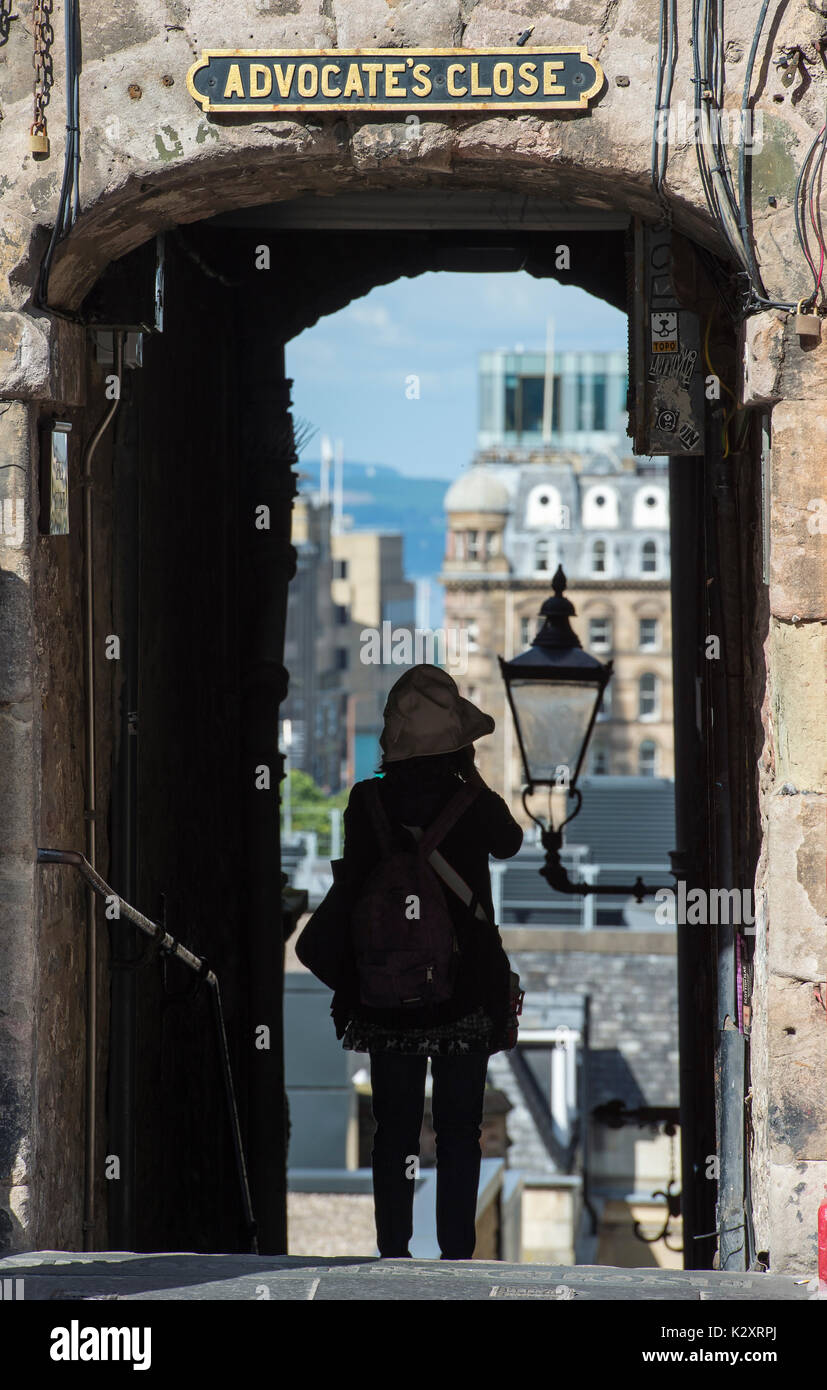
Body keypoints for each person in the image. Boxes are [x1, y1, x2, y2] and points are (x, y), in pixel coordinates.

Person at [330, 663, 523, 1260]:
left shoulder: (366, 802)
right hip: (464, 988)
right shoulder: (471, 801)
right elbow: (511, 842)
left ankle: (393, 1248)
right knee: (460, 1128)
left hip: (388, 988)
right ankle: (456, 1254)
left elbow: (354, 890)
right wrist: (473, 779)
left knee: (393, 1129)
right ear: (457, 742)